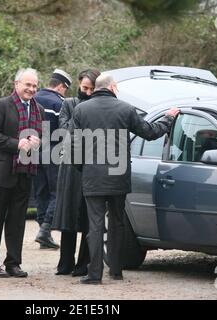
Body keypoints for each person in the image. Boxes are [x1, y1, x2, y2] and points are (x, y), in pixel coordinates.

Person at [72, 74, 180, 284]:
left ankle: (94, 275)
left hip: (92, 177)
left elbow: (74, 146)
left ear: (96, 88)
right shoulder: (126, 109)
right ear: (113, 87)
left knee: (94, 225)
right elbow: (149, 132)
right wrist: (168, 118)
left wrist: (84, 169)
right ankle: (116, 270)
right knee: (117, 222)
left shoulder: (81, 110)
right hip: (118, 176)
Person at [0, 68, 43, 278]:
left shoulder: (39, 109)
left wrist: (37, 143)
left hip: (25, 172)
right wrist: (18, 144)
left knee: (17, 222)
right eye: (28, 84)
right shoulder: (1, 105)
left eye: (35, 86)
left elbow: (39, 138)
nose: (31, 89)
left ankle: (13, 263)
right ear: (17, 84)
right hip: (0, 172)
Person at [52, 68, 101, 276]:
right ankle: (65, 263)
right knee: (69, 214)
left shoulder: (99, 107)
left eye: (92, 89)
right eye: (85, 88)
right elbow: (64, 132)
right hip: (70, 168)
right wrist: (82, 113)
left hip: (91, 166)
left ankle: (83, 265)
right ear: (79, 84)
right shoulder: (69, 104)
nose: (88, 92)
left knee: (88, 217)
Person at [33, 69, 72, 249]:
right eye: (65, 89)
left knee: (40, 192)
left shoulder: (33, 98)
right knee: (57, 191)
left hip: (33, 151)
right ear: (61, 86)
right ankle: (45, 229)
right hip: (53, 152)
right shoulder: (59, 103)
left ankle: (43, 231)